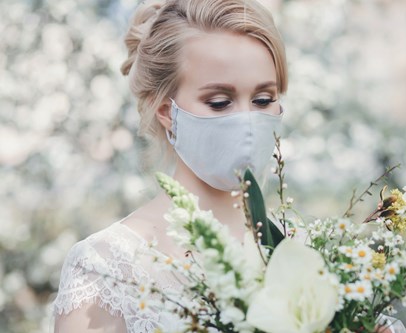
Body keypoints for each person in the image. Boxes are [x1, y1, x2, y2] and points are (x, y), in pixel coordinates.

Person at [52, 0, 287, 332]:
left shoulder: (304, 249)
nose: (247, 123)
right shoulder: (106, 267)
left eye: (263, 99)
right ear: (167, 112)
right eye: (219, 102)